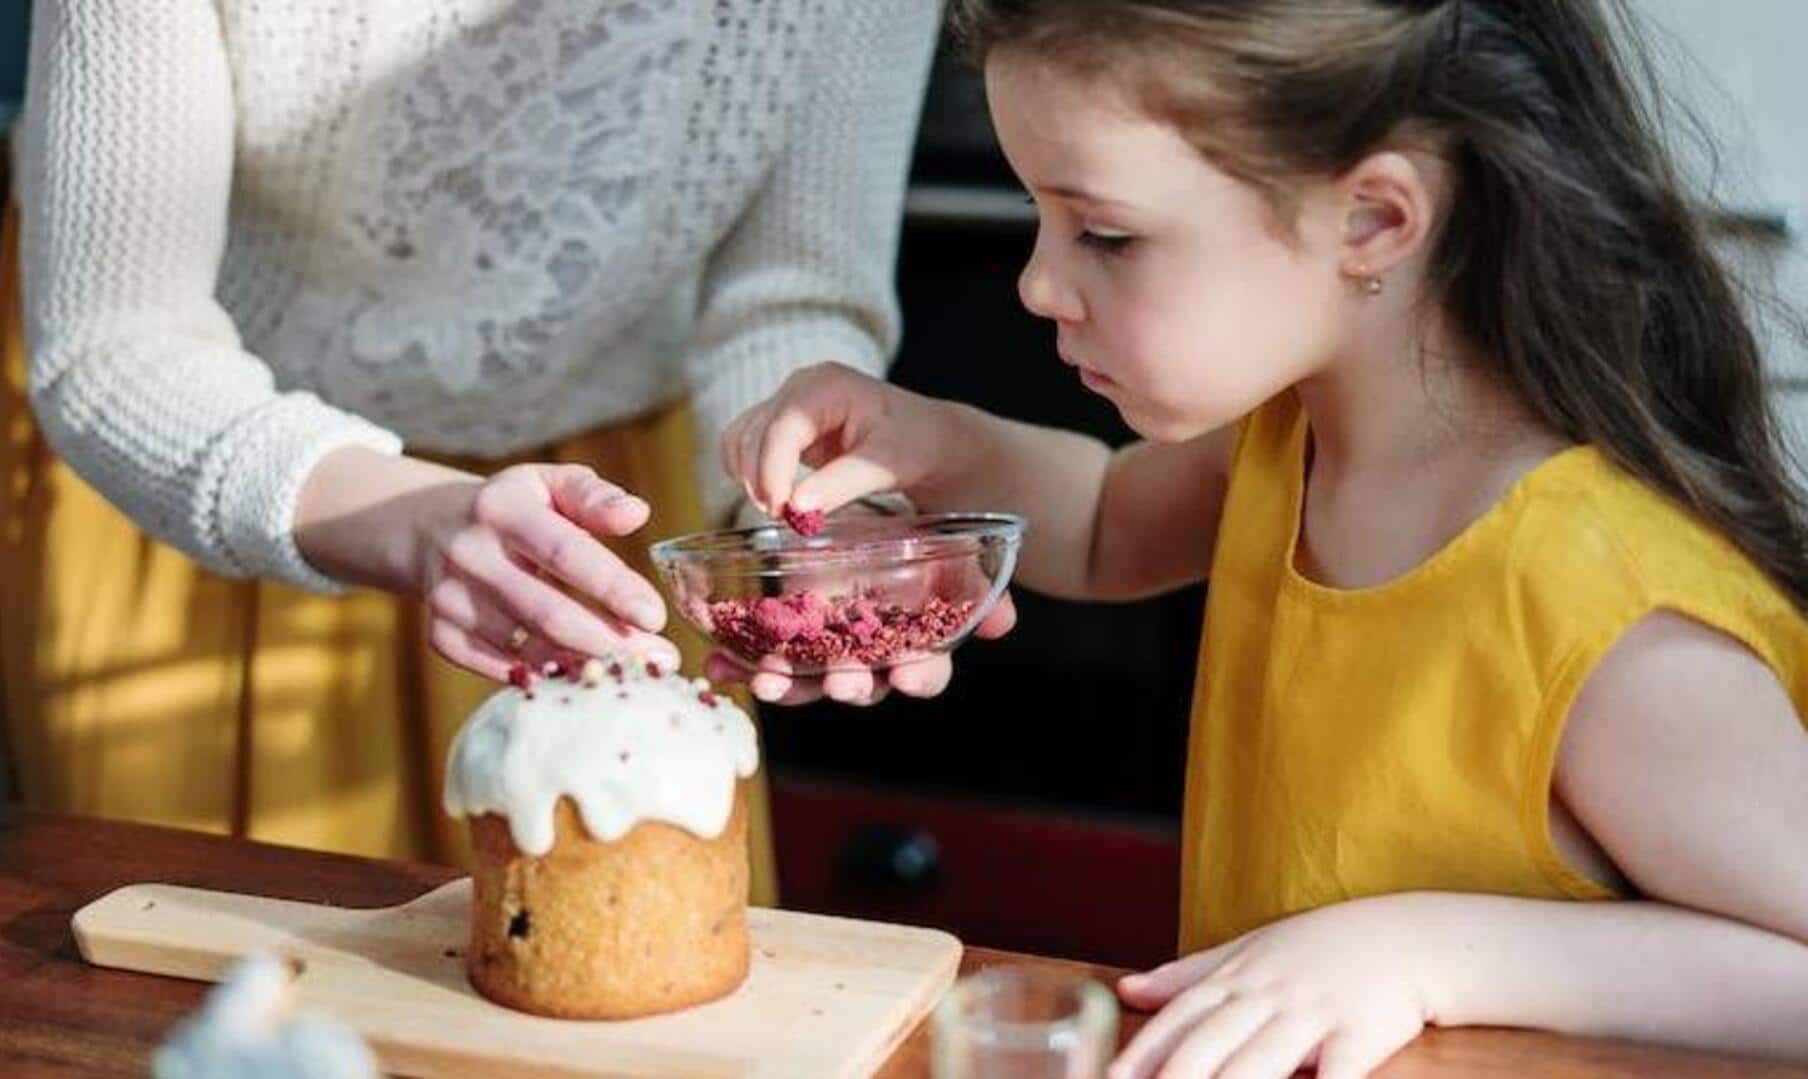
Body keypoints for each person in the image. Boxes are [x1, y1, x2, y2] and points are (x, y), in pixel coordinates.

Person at [722, 0, 1808, 1073]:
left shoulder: (1605, 611)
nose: (1039, 282)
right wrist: (923, 438)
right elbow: (1101, 523)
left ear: (1374, 220)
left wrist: (1428, 954)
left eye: (1106, 232)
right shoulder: (1288, 441)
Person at [0, 0, 943, 902]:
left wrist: (808, 515)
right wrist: (419, 520)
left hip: (596, 522)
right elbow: (115, 342)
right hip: (213, 476)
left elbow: (791, 291)